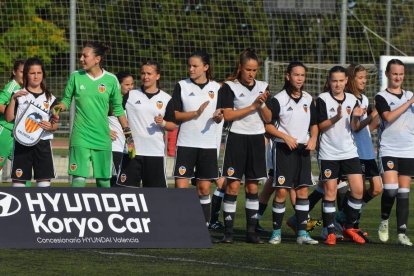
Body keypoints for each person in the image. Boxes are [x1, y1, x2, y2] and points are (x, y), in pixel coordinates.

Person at [54, 42, 133, 188]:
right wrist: (59, 107)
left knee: (103, 181)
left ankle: (103, 211)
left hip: (103, 137)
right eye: (81, 55)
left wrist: (128, 136)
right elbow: (66, 100)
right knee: (78, 179)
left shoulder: (111, 80)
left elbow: (118, 109)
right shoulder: (76, 77)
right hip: (80, 135)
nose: (81, 59)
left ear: (97, 59)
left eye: (85, 56)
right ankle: (76, 211)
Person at [218, 48, 272, 244]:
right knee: (232, 186)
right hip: (237, 138)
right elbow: (228, 115)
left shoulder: (263, 86)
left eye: (255, 70)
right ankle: (229, 233)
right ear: (240, 68)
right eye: (248, 69)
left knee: (252, 186)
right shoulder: (229, 87)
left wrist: (263, 104)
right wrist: (251, 106)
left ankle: (251, 232)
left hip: (256, 139)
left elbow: (269, 118)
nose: (251, 74)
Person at [265, 61, 319, 245]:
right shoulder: (278, 99)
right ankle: (276, 232)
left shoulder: (308, 99)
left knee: (303, 190)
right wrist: (285, 137)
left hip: (303, 150)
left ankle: (302, 234)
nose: (299, 78)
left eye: (302, 75)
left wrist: (313, 138)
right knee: (281, 191)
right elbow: (268, 126)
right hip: (283, 150)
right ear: (288, 76)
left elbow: (314, 124)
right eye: (296, 75)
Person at [316, 65, 366, 245]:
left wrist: (357, 117)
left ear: (346, 81)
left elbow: (354, 127)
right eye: (334, 80)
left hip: (349, 152)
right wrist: (336, 117)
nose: (337, 84)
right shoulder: (322, 99)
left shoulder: (353, 99)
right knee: (329, 192)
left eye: (340, 81)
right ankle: (330, 232)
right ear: (329, 82)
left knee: (359, 190)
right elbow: (320, 126)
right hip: (329, 153)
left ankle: (349, 227)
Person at [172, 50, 223, 226]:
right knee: (181, 188)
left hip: (208, 145)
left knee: (204, 188)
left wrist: (219, 116)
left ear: (206, 67)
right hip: (186, 143)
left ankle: (203, 225)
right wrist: (195, 113)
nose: (191, 69)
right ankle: (180, 224)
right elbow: (175, 115)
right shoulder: (182, 86)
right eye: (189, 65)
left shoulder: (217, 88)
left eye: (195, 66)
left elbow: (223, 114)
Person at [117, 60, 176, 188]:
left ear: (157, 76)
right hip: (132, 151)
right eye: (143, 73)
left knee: (155, 196)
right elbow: (115, 113)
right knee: (126, 193)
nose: (145, 77)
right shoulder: (130, 95)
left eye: (149, 73)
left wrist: (163, 122)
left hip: (155, 152)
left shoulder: (166, 99)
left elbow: (173, 125)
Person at [376, 59, 414, 246]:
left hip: (408, 150)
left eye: (401, 74)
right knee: (390, 190)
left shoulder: (410, 95)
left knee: (404, 192)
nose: (398, 77)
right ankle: (384, 221)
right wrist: (410, 102)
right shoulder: (381, 97)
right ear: (387, 74)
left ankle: (401, 233)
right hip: (389, 149)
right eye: (394, 73)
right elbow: (388, 117)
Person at [5, 57, 58, 187]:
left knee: (44, 184)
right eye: (32, 73)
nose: (36, 76)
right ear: (26, 75)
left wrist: (51, 126)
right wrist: (13, 99)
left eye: (39, 73)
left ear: (43, 74)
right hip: (22, 142)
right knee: (18, 184)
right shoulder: (18, 94)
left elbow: (55, 124)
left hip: (43, 144)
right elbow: (8, 118)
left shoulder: (51, 98)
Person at [344, 64, 382, 235]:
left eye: (365, 77)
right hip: (354, 151)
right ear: (351, 79)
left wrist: (378, 116)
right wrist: (372, 115)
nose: (364, 80)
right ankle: (350, 225)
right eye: (360, 77)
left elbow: (368, 128)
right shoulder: (349, 100)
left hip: (367, 150)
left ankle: (344, 217)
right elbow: (356, 127)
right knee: (329, 191)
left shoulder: (365, 99)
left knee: (376, 188)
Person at [0, 59, 31, 186]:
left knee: (21, 168)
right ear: (14, 72)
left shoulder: (27, 88)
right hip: (5, 131)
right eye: (21, 72)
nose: (24, 75)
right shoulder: (12, 86)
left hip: (19, 134)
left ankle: (25, 198)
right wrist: (11, 113)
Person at [109, 71, 134, 186]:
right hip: (113, 147)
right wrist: (106, 130)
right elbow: (95, 118)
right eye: (127, 85)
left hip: (127, 150)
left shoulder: (132, 102)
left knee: (125, 182)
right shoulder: (110, 101)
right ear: (118, 85)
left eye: (132, 84)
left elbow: (127, 126)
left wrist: (131, 145)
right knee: (113, 181)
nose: (130, 87)